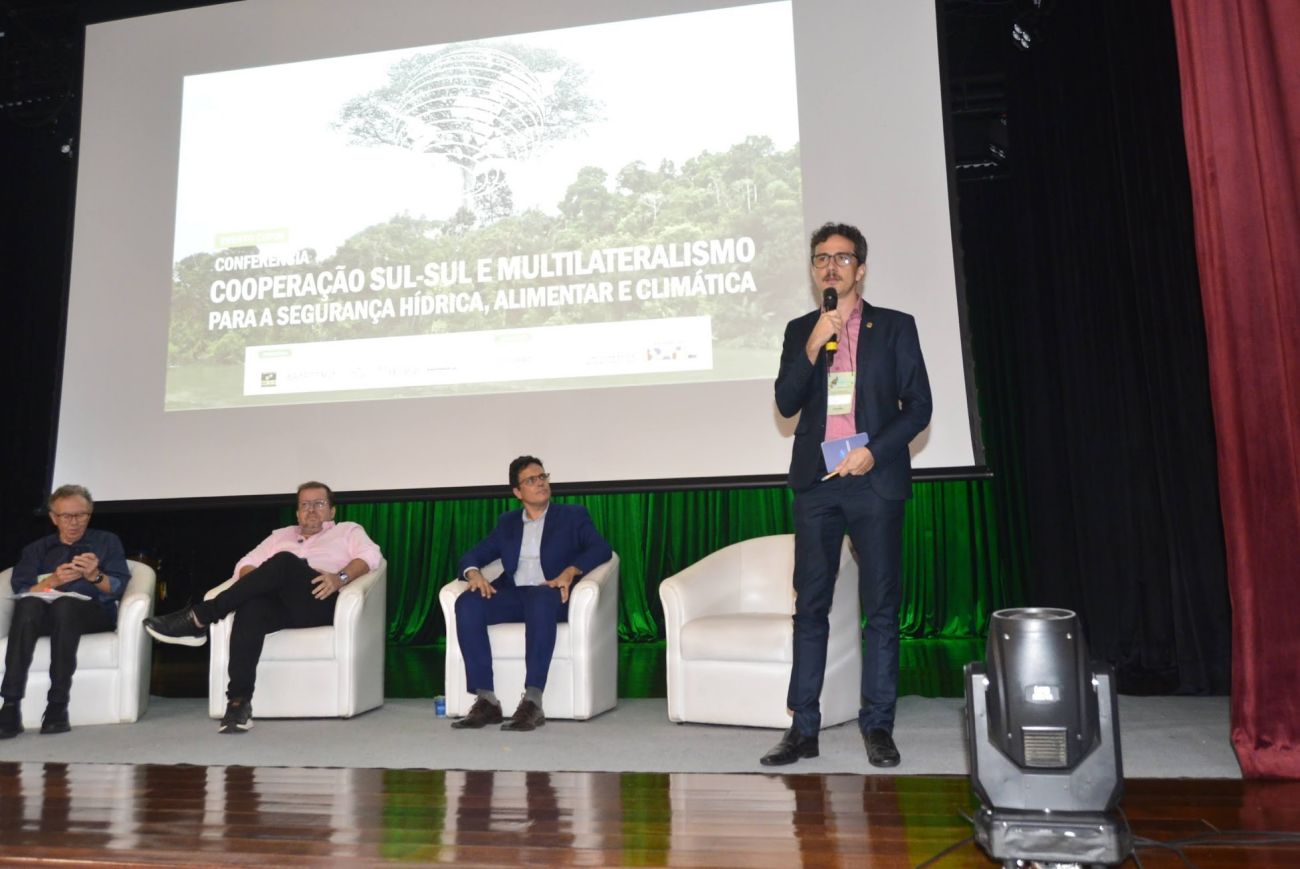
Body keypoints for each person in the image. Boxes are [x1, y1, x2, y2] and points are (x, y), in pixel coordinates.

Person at [761, 222, 932, 768]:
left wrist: (873, 451)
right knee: (810, 606)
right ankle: (802, 728)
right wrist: (814, 343)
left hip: (873, 481)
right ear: (814, 271)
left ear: (861, 268)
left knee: (879, 609)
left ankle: (878, 725)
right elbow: (787, 403)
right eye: (821, 258)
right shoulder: (800, 330)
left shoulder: (895, 327)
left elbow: (919, 407)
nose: (830, 266)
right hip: (817, 483)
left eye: (841, 257)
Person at [144, 481, 381, 734]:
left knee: (285, 562)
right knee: (252, 608)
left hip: (320, 600)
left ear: (332, 511)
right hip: (280, 606)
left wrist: (339, 578)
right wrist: (260, 583)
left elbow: (371, 556)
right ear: (297, 513)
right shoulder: (280, 536)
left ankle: (201, 616)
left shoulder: (347, 531)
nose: (311, 510)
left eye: (319, 504)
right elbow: (245, 565)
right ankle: (238, 703)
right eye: (304, 505)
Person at [451, 456, 612, 732]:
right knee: (467, 603)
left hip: (551, 595)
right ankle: (486, 700)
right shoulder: (508, 523)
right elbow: (473, 555)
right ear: (517, 492)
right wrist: (473, 573)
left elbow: (601, 548)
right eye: (531, 480)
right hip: (514, 594)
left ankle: (533, 701)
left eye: (543, 477)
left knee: (539, 598)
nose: (540, 483)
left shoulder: (572, 516)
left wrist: (571, 571)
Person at [1, 485, 131, 738]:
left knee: (66, 606)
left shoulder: (106, 542)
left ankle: (57, 705)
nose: (74, 522)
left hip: (92, 614)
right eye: (66, 516)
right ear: (53, 518)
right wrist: (52, 581)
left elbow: (118, 587)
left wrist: (95, 575)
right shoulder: (36, 549)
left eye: (81, 515)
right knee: (28, 605)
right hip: (43, 616)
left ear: (89, 515)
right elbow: (22, 589)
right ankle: (10, 705)